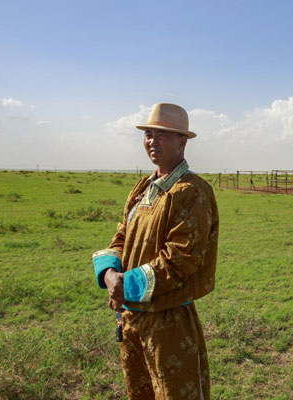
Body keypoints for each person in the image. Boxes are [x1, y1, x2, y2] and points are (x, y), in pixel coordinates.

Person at [92, 103, 219, 399]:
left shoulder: (191, 191)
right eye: (149, 134)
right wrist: (109, 274)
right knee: (140, 393)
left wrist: (124, 285)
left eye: (163, 135)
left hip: (168, 321)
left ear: (182, 142)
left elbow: (181, 260)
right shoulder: (143, 188)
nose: (153, 141)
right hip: (131, 318)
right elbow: (121, 235)